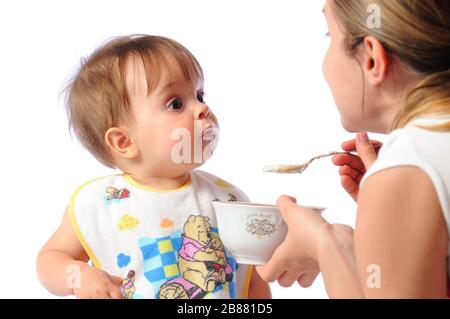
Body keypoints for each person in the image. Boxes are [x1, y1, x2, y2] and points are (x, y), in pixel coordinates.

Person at [36, 34, 270, 299]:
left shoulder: (228, 200)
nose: (202, 109)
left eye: (200, 95)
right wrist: (78, 276)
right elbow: (49, 259)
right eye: (176, 103)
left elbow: (253, 284)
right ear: (124, 141)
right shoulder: (98, 203)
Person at [257, 0, 450, 298]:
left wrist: (326, 245)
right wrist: (394, 216)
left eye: (329, 36)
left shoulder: (406, 168)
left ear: (371, 59)